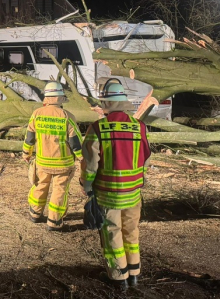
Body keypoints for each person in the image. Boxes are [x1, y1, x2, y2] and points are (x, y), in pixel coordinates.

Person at [81, 79, 151, 290]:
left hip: (108, 193)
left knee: (113, 233)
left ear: (107, 104)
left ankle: (118, 276)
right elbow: (146, 158)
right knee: (131, 231)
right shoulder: (139, 127)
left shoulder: (98, 128)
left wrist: (86, 186)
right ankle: (134, 274)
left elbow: (90, 164)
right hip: (133, 192)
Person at [22, 81, 83, 231]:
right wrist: (82, 158)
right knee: (59, 190)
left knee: (40, 185)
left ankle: (35, 214)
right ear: (61, 99)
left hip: (42, 163)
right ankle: (54, 222)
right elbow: (75, 143)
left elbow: (29, 137)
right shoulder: (67, 117)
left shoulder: (36, 114)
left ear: (46, 98)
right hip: (63, 165)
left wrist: (26, 153)